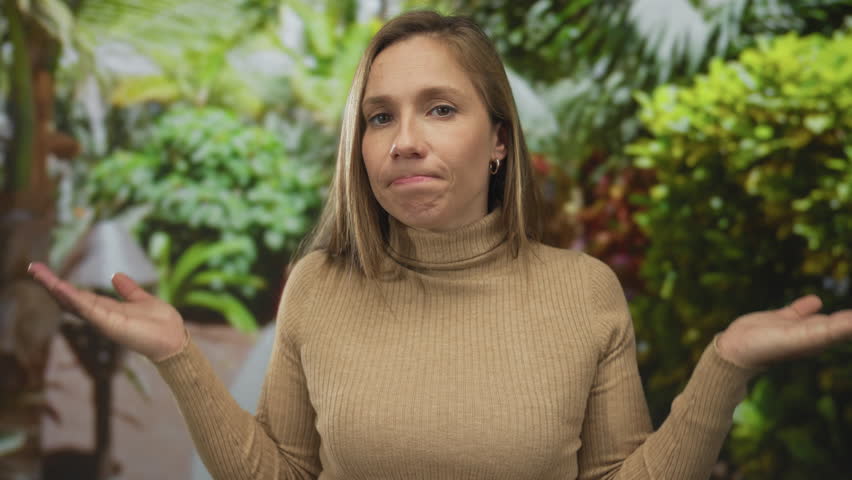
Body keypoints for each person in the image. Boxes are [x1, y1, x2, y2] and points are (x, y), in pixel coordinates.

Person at [27, 10, 852, 480]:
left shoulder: (584, 290)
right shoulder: (319, 284)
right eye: (380, 116)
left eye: (440, 109)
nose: (404, 140)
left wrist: (725, 366)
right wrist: (179, 355)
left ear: (499, 140)